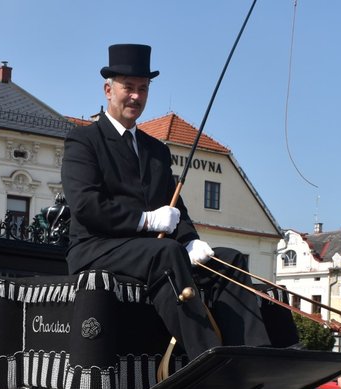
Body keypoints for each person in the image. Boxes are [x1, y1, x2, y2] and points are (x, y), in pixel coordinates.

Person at [60, 43, 297, 360]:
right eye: (128, 88)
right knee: (166, 252)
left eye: (142, 89)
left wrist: (190, 239)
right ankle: (207, 357)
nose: (135, 96)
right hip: (97, 247)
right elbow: (87, 207)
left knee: (230, 259)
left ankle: (253, 355)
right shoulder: (84, 140)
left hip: (151, 251)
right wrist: (147, 221)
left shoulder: (155, 149)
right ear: (108, 89)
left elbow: (175, 209)